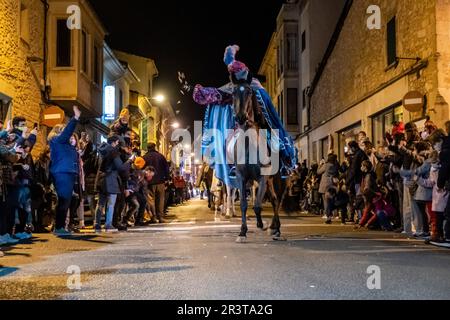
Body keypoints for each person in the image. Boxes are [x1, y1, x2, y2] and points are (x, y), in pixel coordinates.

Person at [48, 106, 81, 236]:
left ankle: (60, 226)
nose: (67, 134)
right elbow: (67, 132)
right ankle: (59, 227)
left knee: (68, 200)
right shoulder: (57, 140)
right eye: (62, 130)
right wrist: (75, 118)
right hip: (63, 173)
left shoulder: (66, 144)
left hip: (69, 172)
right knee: (64, 200)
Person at [95, 135, 134, 232]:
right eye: (117, 143)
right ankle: (108, 224)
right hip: (111, 179)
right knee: (111, 203)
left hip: (100, 178)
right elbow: (120, 167)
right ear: (114, 142)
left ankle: (97, 223)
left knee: (100, 203)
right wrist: (129, 161)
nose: (118, 145)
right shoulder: (113, 151)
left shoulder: (100, 151)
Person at [143, 142, 170, 223]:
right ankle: (160, 217)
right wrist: (167, 179)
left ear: (147, 148)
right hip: (161, 181)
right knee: (160, 200)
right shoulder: (161, 156)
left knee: (151, 200)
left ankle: (153, 218)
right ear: (155, 147)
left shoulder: (144, 157)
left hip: (149, 182)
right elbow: (166, 168)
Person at [317, 153, 339, 224]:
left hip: (325, 184)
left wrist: (320, 164)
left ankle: (328, 216)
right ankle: (335, 214)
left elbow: (318, 172)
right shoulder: (335, 166)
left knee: (325, 201)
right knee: (332, 200)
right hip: (332, 184)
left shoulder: (326, 165)